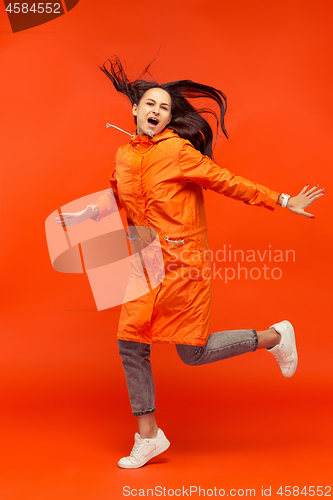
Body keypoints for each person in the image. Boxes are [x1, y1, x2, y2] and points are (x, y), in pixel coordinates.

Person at [55, 56, 325, 469]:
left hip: (184, 262)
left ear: (168, 118)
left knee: (191, 354)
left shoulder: (178, 152)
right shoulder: (124, 155)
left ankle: (274, 336)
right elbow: (118, 196)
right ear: (135, 109)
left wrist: (284, 200)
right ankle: (149, 435)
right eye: (151, 104)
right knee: (130, 342)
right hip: (144, 260)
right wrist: (85, 215)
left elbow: (227, 180)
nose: (156, 111)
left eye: (164, 107)